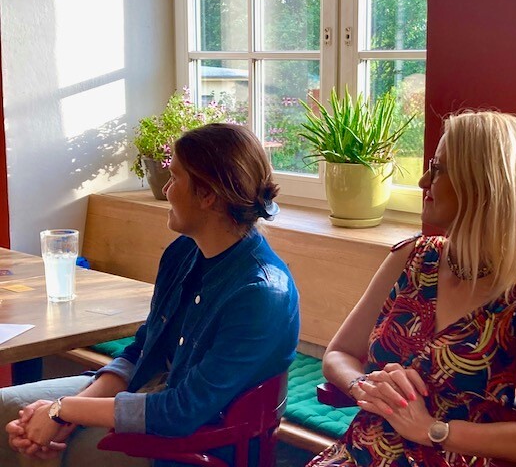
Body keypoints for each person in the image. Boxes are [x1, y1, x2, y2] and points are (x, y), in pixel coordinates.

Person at [0, 123, 300, 467]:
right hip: (150, 393)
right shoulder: (182, 252)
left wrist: (63, 410)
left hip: (199, 441)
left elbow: (182, 411)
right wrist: (68, 413)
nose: (166, 190)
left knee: (42, 448)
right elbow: (143, 350)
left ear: (207, 196)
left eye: (174, 177)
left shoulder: (259, 294)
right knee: (11, 411)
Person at [307, 111, 516, 467]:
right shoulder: (412, 257)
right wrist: (365, 385)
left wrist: (433, 430)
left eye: (438, 169)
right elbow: (339, 353)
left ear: (482, 184)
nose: (423, 180)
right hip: (362, 453)